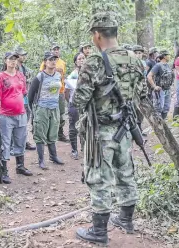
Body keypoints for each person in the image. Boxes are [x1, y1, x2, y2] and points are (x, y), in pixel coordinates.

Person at [73, 12, 147, 246]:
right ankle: (126, 219)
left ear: (97, 35)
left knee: (99, 178)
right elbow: (142, 94)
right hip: (125, 128)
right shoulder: (136, 59)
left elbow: (78, 101)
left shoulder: (93, 63)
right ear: (115, 32)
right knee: (126, 172)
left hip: (101, 133)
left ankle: (99, 231)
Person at [0, 52, 33, 184]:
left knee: (20, 140)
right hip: (5, 115)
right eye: (10, 59)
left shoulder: (21, 76)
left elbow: (23, 93)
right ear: (5, 61)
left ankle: (20, 166)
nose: (13, 61)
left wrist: (27, 109)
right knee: (5, 143)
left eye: (15, 59)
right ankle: (4, 172)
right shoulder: (1, 77)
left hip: (21, 114)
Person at [29, 52, 64, 170]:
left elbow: (59, 92)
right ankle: (41, 160)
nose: (53, 61)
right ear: (45, 62)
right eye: (50, 59)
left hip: (54, 108)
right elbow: (30, 95)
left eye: (54, 59)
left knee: (53, 132)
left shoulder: (58, 75)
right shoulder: (40, 77)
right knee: (40, 134)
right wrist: (34, 111)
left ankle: (53, 156)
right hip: (42, 108)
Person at [40, 44, 68, 142]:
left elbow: (62, 76)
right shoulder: (45, 63)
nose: (56, 51)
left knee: (60, 113)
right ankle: (46, 135)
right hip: (48, 93)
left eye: (57, 49)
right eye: (54, 49)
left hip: (60, 91)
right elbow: (42, 74)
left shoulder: (62, 63)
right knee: (48, 113)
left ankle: (59, 133)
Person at [14, 46, 36, 151]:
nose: (24, 57)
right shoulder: (13, 68)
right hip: (16, 99)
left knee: (25, 121)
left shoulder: (24, 68)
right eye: (21, 55)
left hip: (25, 98)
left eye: (24, 55)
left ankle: (24, 140)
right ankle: (16, 142)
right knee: (16, 121)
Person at [65, 52, 85, 160]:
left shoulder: (89, 73)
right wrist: (71, 102)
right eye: (79, 59)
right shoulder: (73, 75)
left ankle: (84, 147)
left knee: (85, 126)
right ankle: (74, 150)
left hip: (86, 105)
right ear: (75, 62)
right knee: (73, 127)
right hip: (74, 104)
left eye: (83, 58)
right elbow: (67, 92)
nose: (82, 60)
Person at [147, 50, 174, 119]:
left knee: (166, 108)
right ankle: (157, 127)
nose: (169, 57)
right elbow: (149, 76)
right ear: (164, 56)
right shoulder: (158, 65)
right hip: (160, 90)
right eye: (168, 55)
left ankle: (163, 124)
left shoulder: (168, 65)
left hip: (167, 89)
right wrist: (154, 86)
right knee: (158, 108)